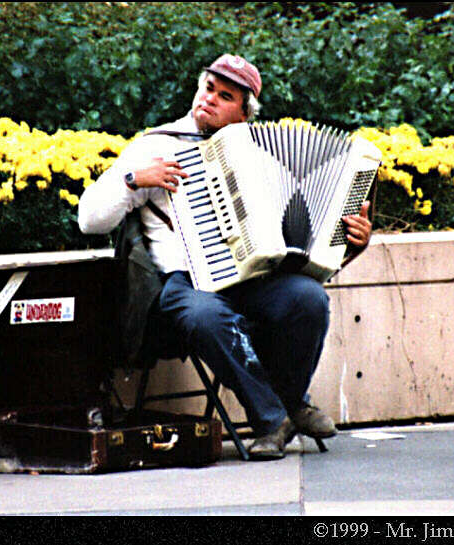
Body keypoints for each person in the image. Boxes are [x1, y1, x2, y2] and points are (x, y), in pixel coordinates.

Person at [78, 54, 373, 459]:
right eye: (207, 89)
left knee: (308, 299)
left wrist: (350, 241)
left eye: (225, 96)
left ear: (243, 112)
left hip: (249, 280)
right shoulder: (157, 146)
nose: (210, 99)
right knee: (203, 315)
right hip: (183, 284)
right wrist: (132, 180)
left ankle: (285, 405)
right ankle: (275, 418)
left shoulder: (260, 152)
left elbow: (303, 251)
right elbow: (88, 219)